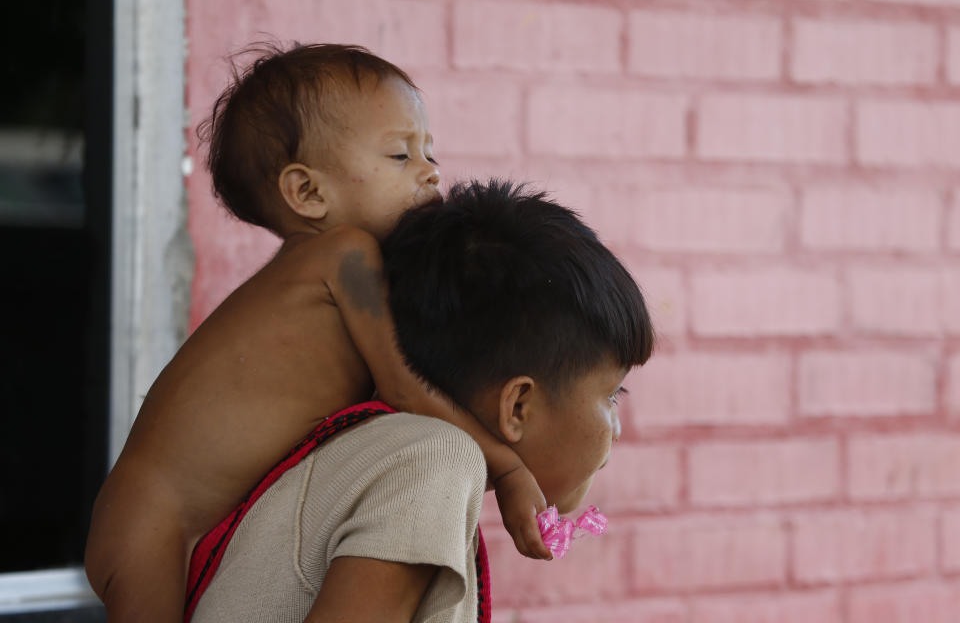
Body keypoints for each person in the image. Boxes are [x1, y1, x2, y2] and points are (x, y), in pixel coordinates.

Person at [84, 44, 548, 623]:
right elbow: (406, 390)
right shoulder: (344, 257)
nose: (430, 170)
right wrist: (507, 468)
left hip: (207, 519)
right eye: (401, 154)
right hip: (152, 520)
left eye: (429, 151)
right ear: (307, 193)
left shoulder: (336, 270)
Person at [189, 179, 655, 622]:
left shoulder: (393, 452)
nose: (618, 426)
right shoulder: (433, 460)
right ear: (517, 407)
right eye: (612, 394)